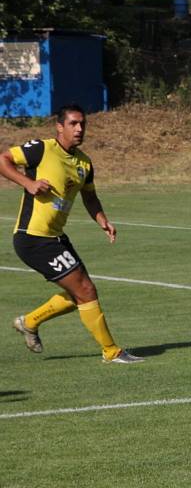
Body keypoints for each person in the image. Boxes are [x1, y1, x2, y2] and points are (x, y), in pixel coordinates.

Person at [0, 104, 143, 364]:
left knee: (82, 293)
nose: (79, 129)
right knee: (86, 289)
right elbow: (3, 159)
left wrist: (102, 220)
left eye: (82, 124)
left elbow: (90, 196)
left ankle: (29, 322)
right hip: (32, 237)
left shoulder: (84, 163)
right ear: (60, 126)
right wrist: (28, 183)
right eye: (73, 124)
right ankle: (111, 351)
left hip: (55, 237)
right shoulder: (41, 149)